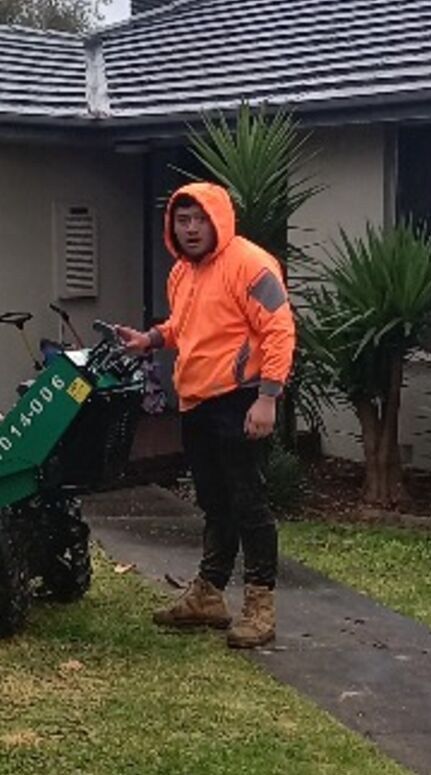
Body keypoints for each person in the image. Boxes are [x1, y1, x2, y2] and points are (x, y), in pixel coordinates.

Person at [116, 181, 296, 648]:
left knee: (248, 503)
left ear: (218, 218)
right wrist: (150, 340)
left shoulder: (251, 265)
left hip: (241, 399)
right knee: (215, 502)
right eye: (183, 219)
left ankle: (260, 605)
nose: (191, 229)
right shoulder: (183, 273)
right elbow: (187, 326)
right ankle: (209, 595)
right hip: (196, 402)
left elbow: (279, 328)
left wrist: (268, 397)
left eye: (199, 219)